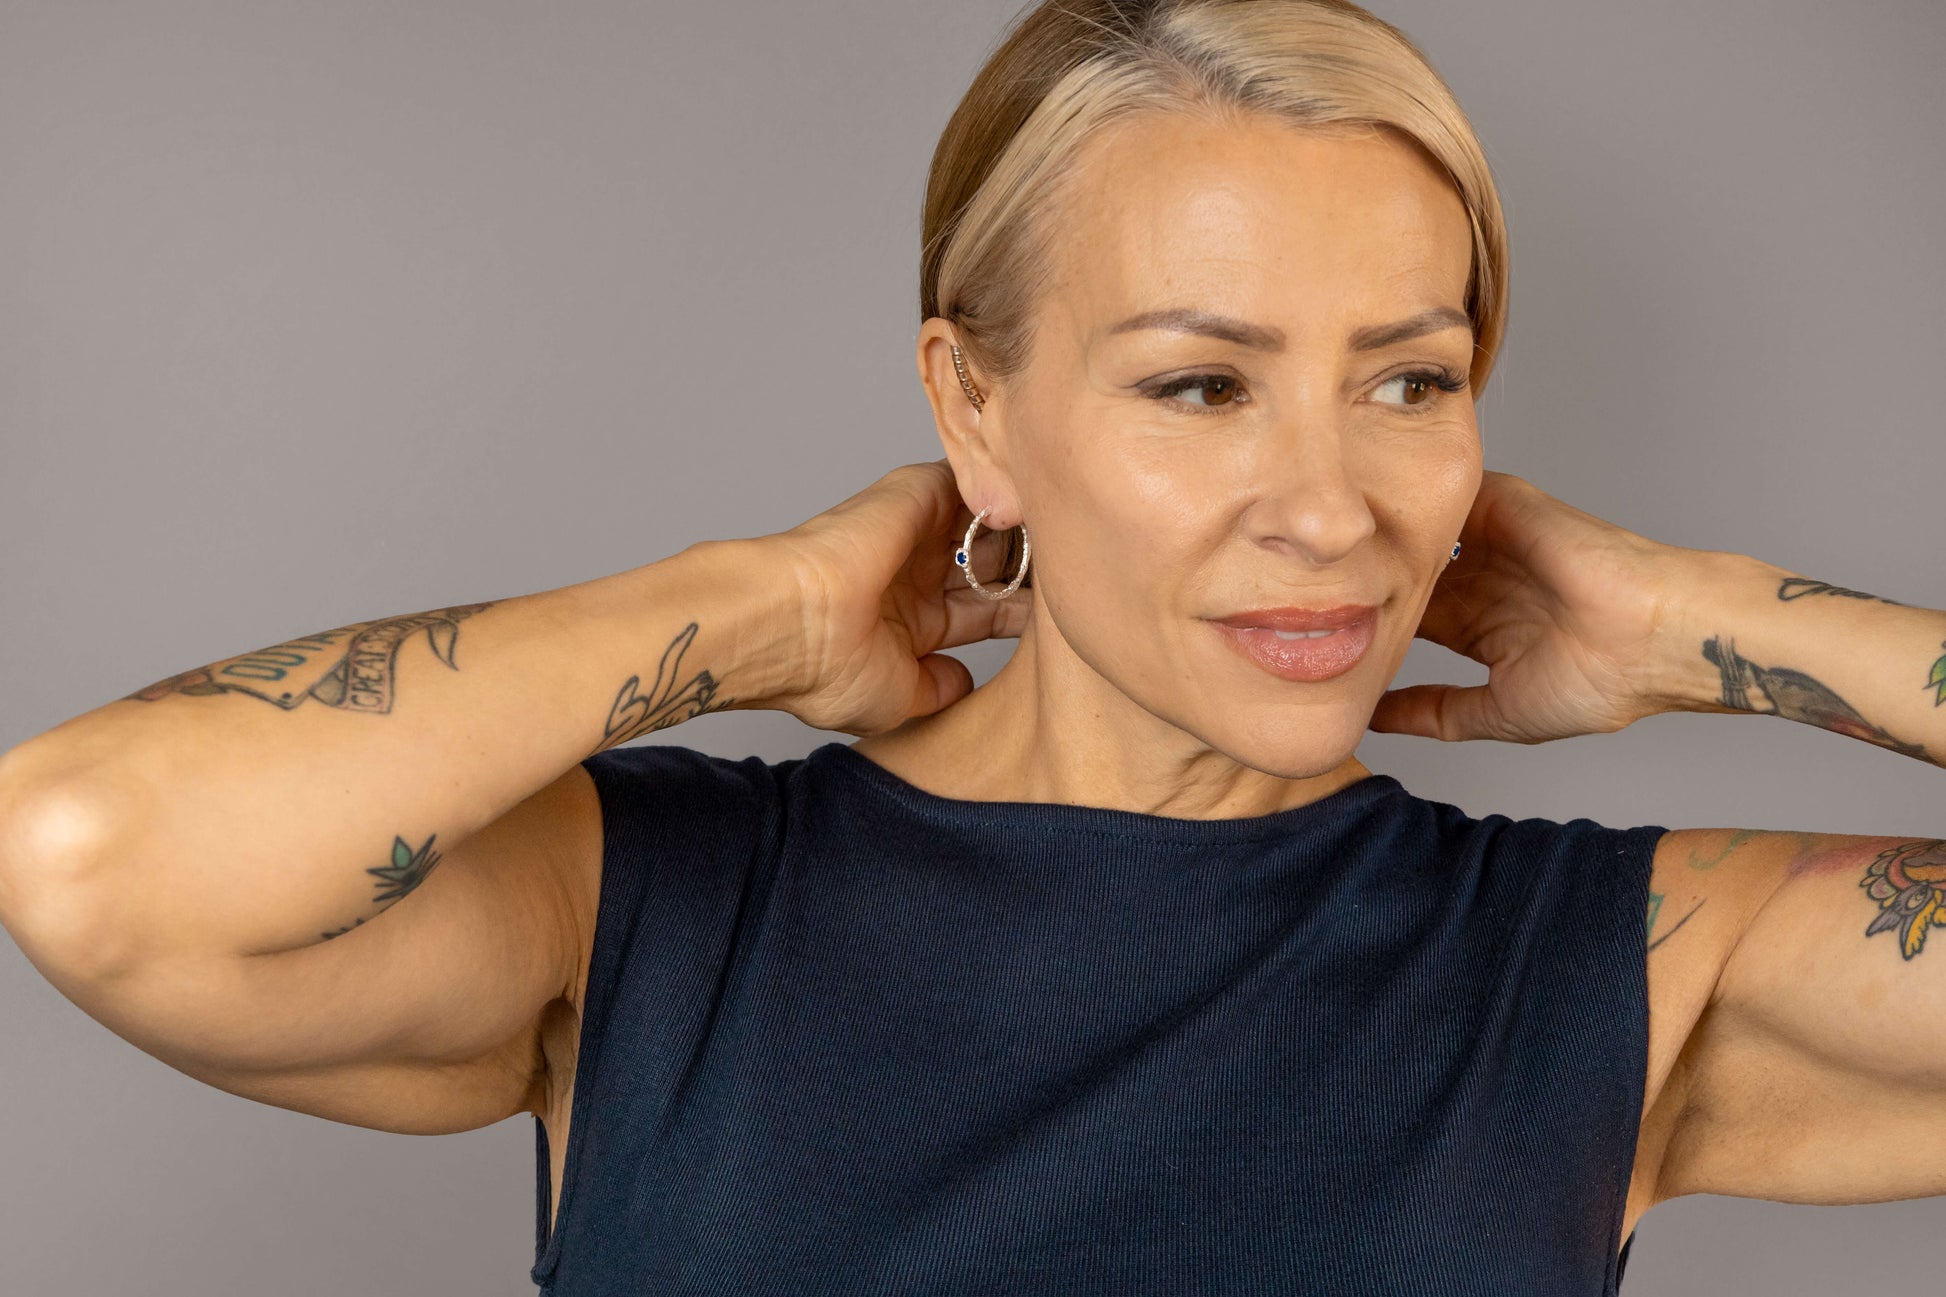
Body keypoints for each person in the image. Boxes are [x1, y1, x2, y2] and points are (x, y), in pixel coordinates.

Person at [0, 0, 1939, 1292]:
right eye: (1200, 385)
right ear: (977, 406)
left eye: (1409, 381)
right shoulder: (660, 902)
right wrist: (756, 608)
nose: (1332, 503)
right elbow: (87, 851)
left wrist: (1706, 621)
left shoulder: (1620, 963)